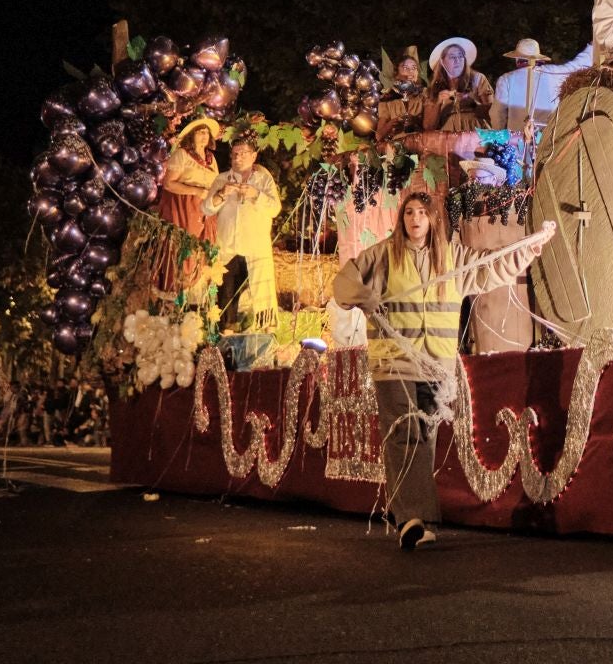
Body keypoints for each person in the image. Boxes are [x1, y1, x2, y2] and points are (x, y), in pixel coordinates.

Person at [332, 191, 556, 551]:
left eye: (422, 212)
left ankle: (419, 518)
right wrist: (363, 294)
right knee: (403, 434)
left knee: (424, 438)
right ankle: (412, 520)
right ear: (402, 218)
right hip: (395, 363)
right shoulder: (382, 256)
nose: (415, 218)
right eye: (409, 212)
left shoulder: (452, 258)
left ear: (434, 218)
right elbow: (342, 283)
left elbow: (491, 267)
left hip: (437, 364)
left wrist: (528, 249)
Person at [202, 135, 283, 331]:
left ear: (254, 156)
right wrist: (221, 194)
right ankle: (225, 335)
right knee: (226, 294)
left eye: (243, 154)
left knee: (261, 291)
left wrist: (256, 195)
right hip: (228, 245)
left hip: (255, 246)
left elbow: (275, 209)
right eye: (234, 154)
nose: (238, 158)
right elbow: (206, 208)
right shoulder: (222, 179)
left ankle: (265, 334)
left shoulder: (263, 179)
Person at [158, 117, 221, 290]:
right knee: (184, 249)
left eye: (206, 132)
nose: (204, 136)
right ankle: (175, 291)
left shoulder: (211, 159)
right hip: (184, 206)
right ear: (191, 136)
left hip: (204, 208)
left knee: (203, 249)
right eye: (200, 132)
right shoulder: (182, 154)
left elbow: (215, 183)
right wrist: (196, 191)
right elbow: (169, 183)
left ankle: (196, 295)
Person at [489, 38, 593, 134]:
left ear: (517, 59)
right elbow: (579, 64)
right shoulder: (553, 73)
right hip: (548, 141)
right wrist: (593, 46)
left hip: (517, 143)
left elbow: (497, 114)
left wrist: (499, 136)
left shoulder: (506, 80)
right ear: (538, 58)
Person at [422, 37, 494, 133]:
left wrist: (473, 104)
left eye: (460, 56)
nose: (457, 60)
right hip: (448, 140)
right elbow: (428, 126)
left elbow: (493, 113)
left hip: (477, 136)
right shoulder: (433, 89)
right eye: (452, 57)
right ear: (442, 62)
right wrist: (438, 103)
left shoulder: (478, 79)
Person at [377, 46, 428, 140]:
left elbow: (431, 125)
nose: (411, 72)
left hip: (422, 142)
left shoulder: (425, 94)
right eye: (405, 68)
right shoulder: (387, 100)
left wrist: (416, 121)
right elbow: (379, 135)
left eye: (414, 68)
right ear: (396, 72)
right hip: (397, 146)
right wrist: (391, 124)